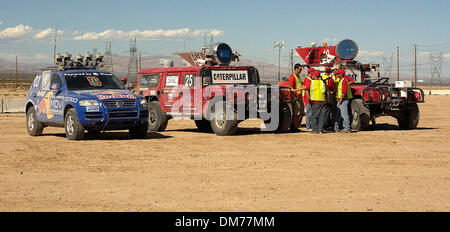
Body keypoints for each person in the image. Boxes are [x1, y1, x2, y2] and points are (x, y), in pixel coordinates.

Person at [288, 63, 305, 132]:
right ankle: (294, 128)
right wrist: (300, 89)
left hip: (299, 97)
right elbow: (291, 89)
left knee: (301, 113)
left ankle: (296, 126)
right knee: (296, 113)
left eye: (301, 69)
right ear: (296, 69)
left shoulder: (297, 76)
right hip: (296, 98)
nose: (301, 71)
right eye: (300, 69)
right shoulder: (292, 77)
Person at [320, 66, 335, 130]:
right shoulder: (330, 79)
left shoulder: (320, 78)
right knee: (327, 112)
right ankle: (326, 126)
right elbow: (332, 88)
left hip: (320, 97)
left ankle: (321, 125)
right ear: (330, 72)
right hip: (328, 98)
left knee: (321, 112)